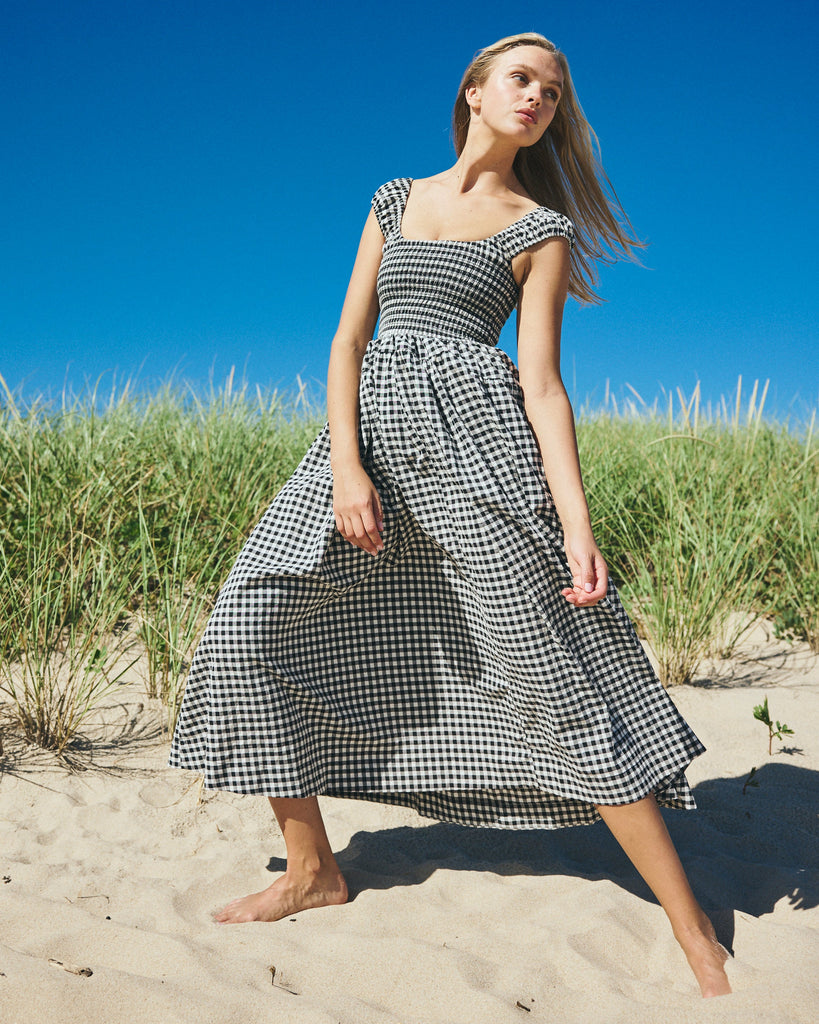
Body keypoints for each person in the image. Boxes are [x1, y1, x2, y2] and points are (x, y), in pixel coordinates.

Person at [169, 32, 731, 998]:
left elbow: (543, 386)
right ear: (474, 90)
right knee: (247, 623)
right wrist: (347, 467)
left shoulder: (539, 229)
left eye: (552, 92)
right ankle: (312, 870)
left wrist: (576, 526)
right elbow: (348, 341)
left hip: (478, 448)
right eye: (521, 79)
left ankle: (690, 925)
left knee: (551, 667)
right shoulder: (395, 198)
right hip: (369, 445)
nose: (537, 98)